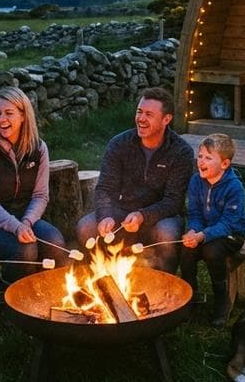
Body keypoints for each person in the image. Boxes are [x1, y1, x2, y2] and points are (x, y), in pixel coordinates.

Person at [76, 87, 193, 272]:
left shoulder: (181, 151)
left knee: (167, 234)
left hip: (161, 216)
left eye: (149, 114)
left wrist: (143, 216)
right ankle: (103, 282)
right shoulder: (119, 144)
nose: (141, 119)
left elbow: (173, 201)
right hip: (122, 211)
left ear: (166, 119)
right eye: (139, 112)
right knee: (86, 227)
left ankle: (164, 289)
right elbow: (105, 188)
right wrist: (106, 214)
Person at [0, 87, 67, 288]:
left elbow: (40, 195)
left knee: (55, 242)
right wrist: (17, 227)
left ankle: (47, 294)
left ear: (23, 116)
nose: (1, 119)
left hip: (22, 219)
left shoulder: (38, 148)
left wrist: (26, 221)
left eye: (9, 113)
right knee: (26, 249)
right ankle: (6, 297)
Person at [179, 133, 245, 327]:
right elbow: (194, 213)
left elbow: (228, 223)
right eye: (200, 156)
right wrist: (193, 231)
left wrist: (203, 236)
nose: (201, 161)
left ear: (225, 164)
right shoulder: (196, 182)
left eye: (208, 158)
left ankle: (221, 300)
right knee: (186, 250)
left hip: (232, 234)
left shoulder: (234, 188)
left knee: (211, 251)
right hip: (205, 231)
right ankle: (190, 297)